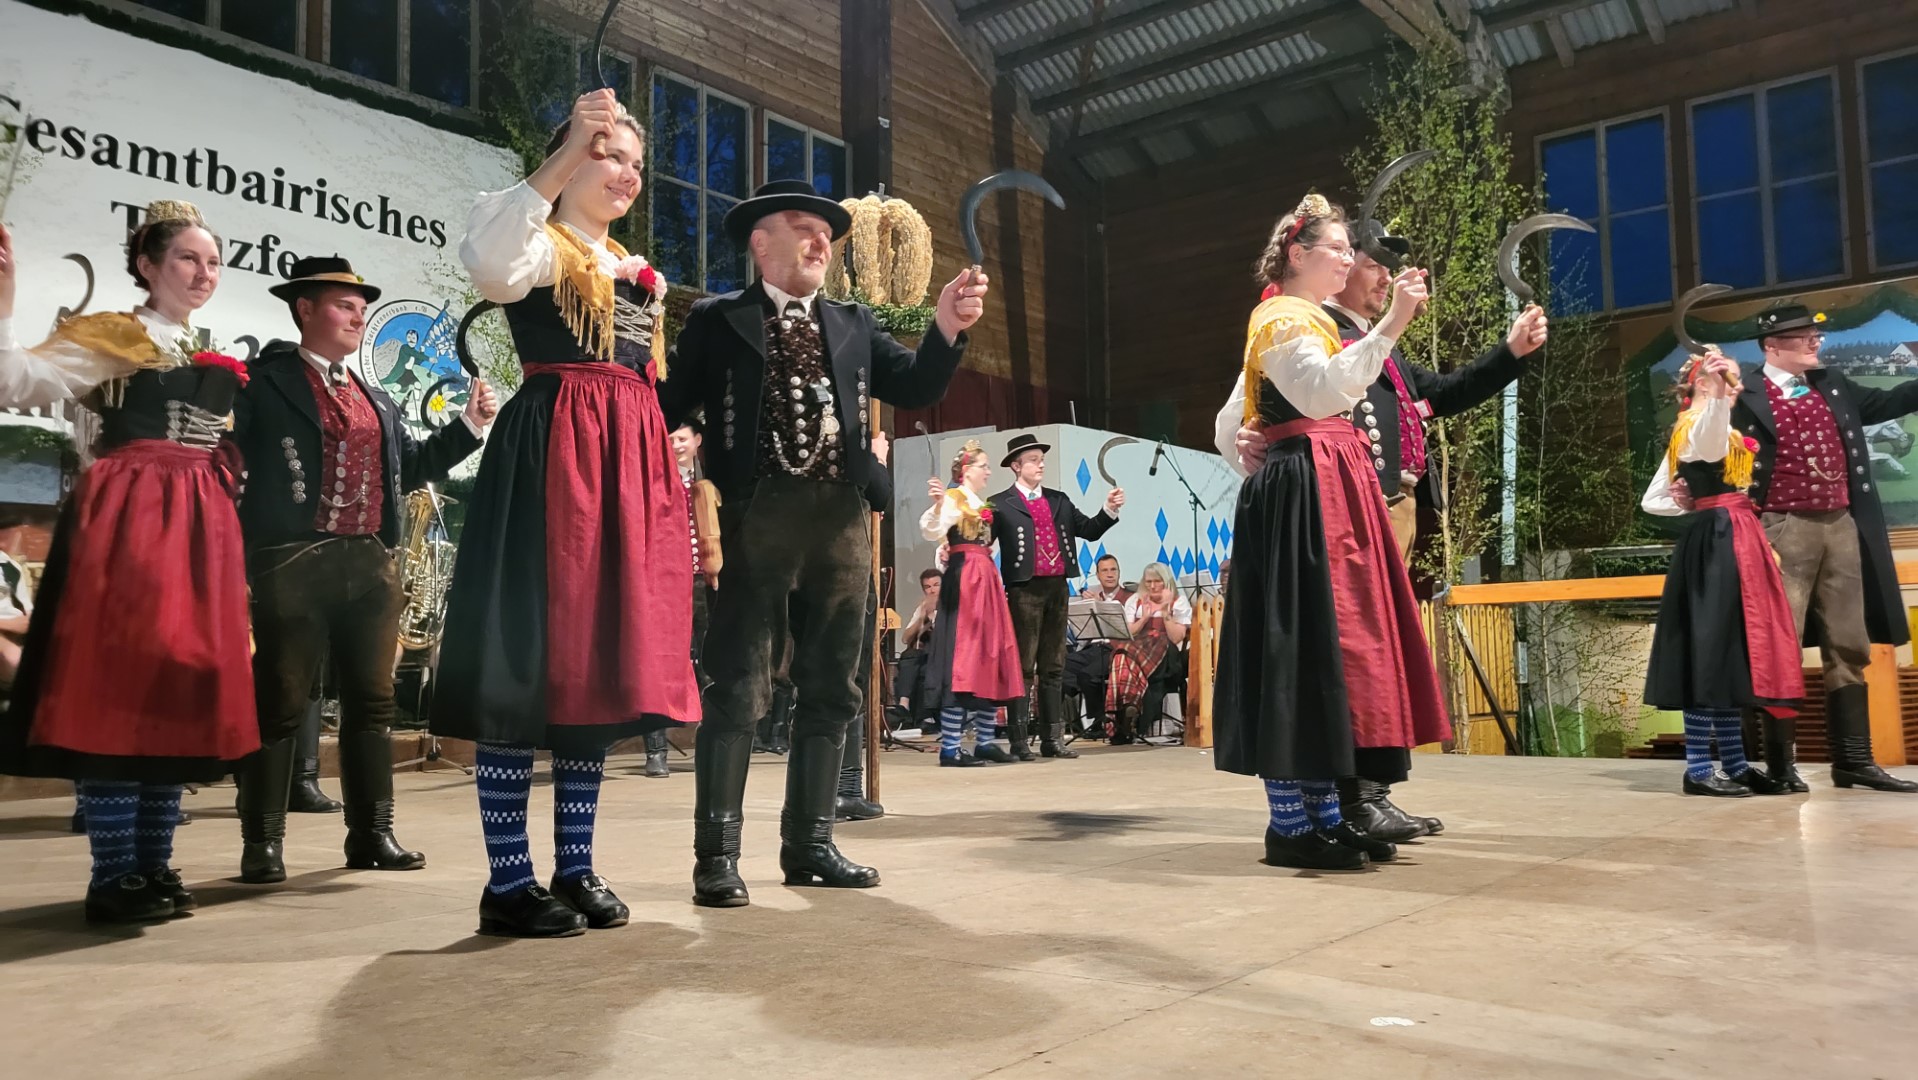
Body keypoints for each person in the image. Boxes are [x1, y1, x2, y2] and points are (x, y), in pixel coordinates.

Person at [659, 177, 984, 907]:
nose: (819, 241)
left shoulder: (852, 321)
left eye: (825, 233)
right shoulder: (719, 319)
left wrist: (946, 327)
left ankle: (809, 844)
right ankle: (717, 856)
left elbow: (917, 385)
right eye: (802, 226)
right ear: (760, 241)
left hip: (840, 523)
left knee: (834, 686)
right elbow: (669, 402)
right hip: (757, 517)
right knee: (738, 685)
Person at [432, 89, 700, 937]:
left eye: (634, 162)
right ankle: (508, 881)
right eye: (608, 154)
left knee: (594, 665)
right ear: (572, 157)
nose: (625, 174)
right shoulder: (539, 244)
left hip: (628, 470)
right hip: (554, 459)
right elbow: (490, 268)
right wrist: (559, 159)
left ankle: (575, 866)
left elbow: (645, 380)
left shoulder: (635, 271)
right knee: (527, 660)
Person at [0, 203, 259, 921]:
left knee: (176, 685)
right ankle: (113, 873)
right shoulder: (118, 333)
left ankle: (153, 864)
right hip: (133, 516)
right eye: (187, 258)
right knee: (121, 680)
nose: (204, 272)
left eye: (213, 261)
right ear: (148, 265)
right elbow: (15, 382)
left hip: (200, 521)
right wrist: (6, 299)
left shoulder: (201, 345)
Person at [229, 255, 494, 885]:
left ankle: (372, 834)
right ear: (305, 310)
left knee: (373, 705)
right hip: (291, 561)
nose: (358, 317)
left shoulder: (375, 397)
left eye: (361, 307)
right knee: (280, 703)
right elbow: (230, 461)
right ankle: (263, 842)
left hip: (369, 565)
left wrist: (470, 426)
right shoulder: (264, 383)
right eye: (344, 305)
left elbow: (412, 467)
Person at [1211, 194, 1444, 872]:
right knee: (1298, 648)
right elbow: (1318, 394)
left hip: (1328, 484)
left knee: (1322, 654)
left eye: (1349, 250)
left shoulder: (1302, 317)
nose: (1348, 258)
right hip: (1306, 489)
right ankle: (1291, 825)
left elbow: (1234, 418)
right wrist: (1395, 323)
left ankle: (1324, 817)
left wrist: (1242, 440)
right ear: (1297, 252)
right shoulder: (1282, 315)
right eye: (1338, 248)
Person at [1315, 221, 1547, 841]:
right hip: (1357, 510)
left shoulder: (1378, 343)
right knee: (1363, 650)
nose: (1386, 278)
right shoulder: (1325, 331)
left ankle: (1371, 794)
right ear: (1341, 270)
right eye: (1374, 265)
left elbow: (1442, 393)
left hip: (1397, 509)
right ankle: (1357, 797)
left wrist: (1510, 353)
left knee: (1382, 648)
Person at [1728, 303, 1918, 793]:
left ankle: (1853, 760)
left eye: (1816, 334)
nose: (1815, 341)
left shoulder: (1830, 384)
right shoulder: (1743, 393)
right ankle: (1780, 765)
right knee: (1779, 646)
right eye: (1803, 336)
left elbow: (1890, 402)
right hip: (1781, 528)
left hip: (1840, 525)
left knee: (1849, 641)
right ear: (1772, 345)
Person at [1642, 351, 1801, 796]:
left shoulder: (1714, 426)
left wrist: (1687, 500)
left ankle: (1734, 763)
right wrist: (1714, 396)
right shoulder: (1697, 425)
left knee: (1731, 648)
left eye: (1732, 378)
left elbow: (1658, 498)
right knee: (1709, 648)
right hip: (1716, 543)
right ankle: (1698, 768)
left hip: (1736, 538)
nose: (1736, 386)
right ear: (1702, 385)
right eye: (1727, 378)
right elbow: (1695, 461)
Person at [989, 432, 1123, 762]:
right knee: (1023, 667)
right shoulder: (1000, 503)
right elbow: (982, 542)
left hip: (1057, 588)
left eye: (1042, 459)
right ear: (1016, 466)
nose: (1040, 465)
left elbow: (1089, 530)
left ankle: (1052, 739)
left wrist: (1108, 509)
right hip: (1024, 589)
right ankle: (1020, 741)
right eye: (1033, 460)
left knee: (1053, 666)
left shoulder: (1058, 500)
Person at [920, 442, 1025, 766]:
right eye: (984, 466)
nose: (988, 472)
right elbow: (932, 529)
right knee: (962, 657)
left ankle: (985, 741)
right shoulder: (954, 498)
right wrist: (939, 505)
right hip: (966, 582)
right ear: (967, 470)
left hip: (986, 581)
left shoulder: (982, 504)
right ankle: (950, 748)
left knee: (988, 654)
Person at [655, 417, 717, 780]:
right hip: (667, 582)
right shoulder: (658, 481)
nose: (676, 445)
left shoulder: (707, 481)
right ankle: (656, 749)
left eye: (682, 439)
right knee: (665, 660)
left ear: (697, 441)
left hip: (704, 580)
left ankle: (708, 744)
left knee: (711, 660)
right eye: (671, 440)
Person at [839, 434, 893, 821]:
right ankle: (845, 788)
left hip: (790, 566)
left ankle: (823, 793)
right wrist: (877, 459)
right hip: (842, 569)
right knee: (851, 681)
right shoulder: (847, 438)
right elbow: (879, 494)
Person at [1105, 562, 1191, 745]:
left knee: (1124, 654)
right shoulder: (1136, 600)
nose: (1152, 586)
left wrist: (1166, 611)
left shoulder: (1178, 601)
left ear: (1166, 582)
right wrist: (1144, 618)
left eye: (1157, 581)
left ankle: (1122, 714)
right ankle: (1128, 706)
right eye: (1148, 581)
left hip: (1165, 651)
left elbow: (1176, 638)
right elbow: (1128, 632)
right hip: (1137, 647)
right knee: (1121, 654)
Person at [1066, 553, 1131, 738]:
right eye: (1105, 571)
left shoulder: (1130, 597)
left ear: (1119, 572)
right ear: (1098, 575)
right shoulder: (1092, 595)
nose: (1110, 574)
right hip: (1092, 647)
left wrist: (1103, 605)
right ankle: (1067, 723)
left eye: (1113, 570)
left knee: (1088, 675)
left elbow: (1127, 630)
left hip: (1115, 648)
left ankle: (1099, 721)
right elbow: (1081, 631)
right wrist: (1086, 605)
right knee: (1060, 667)